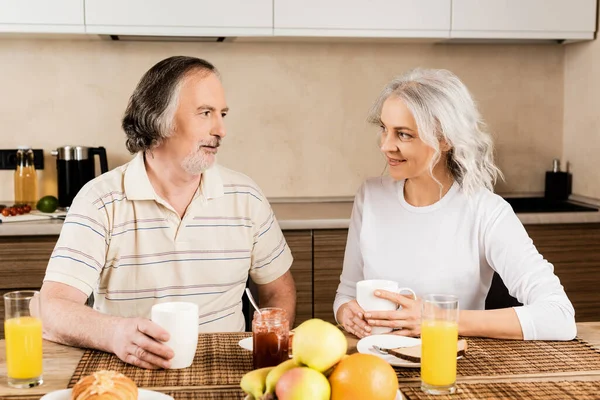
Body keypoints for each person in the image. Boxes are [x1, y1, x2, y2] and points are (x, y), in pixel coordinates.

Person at [40, 56, 296, 369]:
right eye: (205, 113)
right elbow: (52, 308)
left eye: (223, 114)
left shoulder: (246, 196)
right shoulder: (99, 201)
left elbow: (278, 292)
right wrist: (114, 333)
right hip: (129, 370)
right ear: (158, 119)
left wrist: (268, 363)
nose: (222, 129)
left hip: (227, 369)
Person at [334, 68, 576, 341]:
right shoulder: (370, 197)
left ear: (445, 139)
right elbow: (347, 294)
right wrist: (347, 313)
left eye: (403, 134)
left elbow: (560, 316)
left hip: (453, 370)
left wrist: (439, 318)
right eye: (384, 129)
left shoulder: (486, 212)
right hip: (377, 366)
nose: (385, 145)